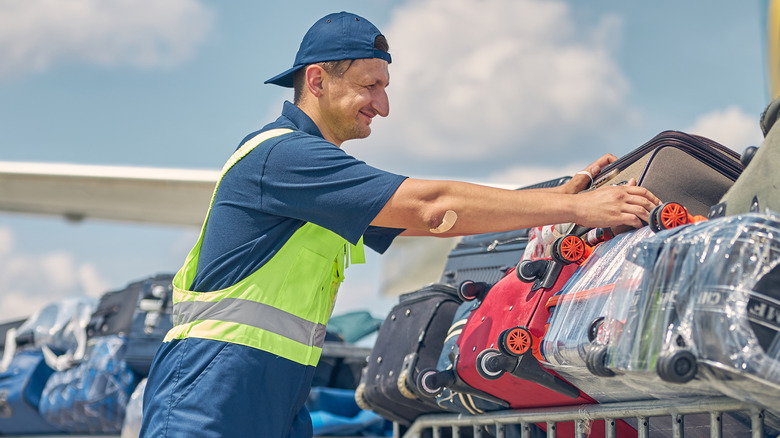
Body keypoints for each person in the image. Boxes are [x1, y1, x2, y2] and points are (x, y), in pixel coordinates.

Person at [140, 11, 660, 438]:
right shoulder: (284, 157)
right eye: (371, 86)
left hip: (272, 390)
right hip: (213, 388)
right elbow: (430, 208)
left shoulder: (316, 178)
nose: (382, 107)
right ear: (317, 80)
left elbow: (436, 221)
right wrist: (578, 211)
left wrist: (548, 200)